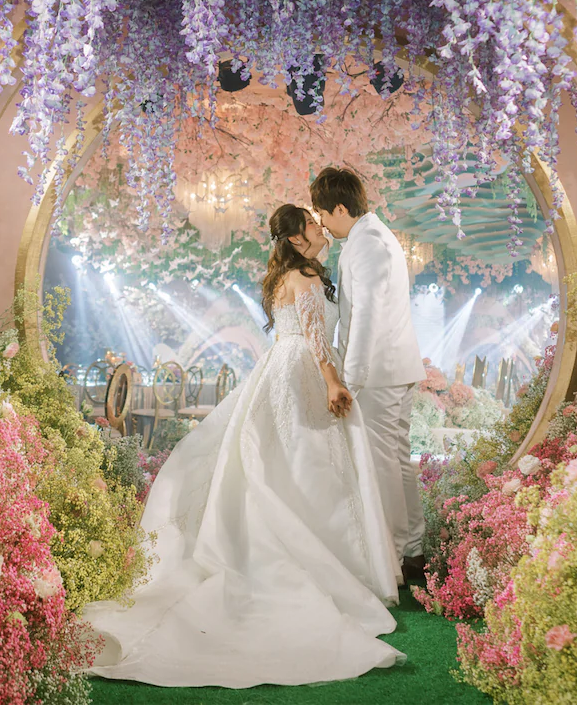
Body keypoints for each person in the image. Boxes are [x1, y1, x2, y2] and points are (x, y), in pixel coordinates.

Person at [81, 204, 403, 688]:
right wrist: (334, 382)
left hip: (278, 370)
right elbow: (318, 339)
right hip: (305, 375)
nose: (321, 227)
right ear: (296, 240)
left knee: (279, 464)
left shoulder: (287, 276)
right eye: (313, 224)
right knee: (308, 466)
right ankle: (319, 562)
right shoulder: (308, 279)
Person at [309, 166, 428, 586]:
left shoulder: (370, 245)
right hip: (389, 369)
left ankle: (395, 557)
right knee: (396, 461)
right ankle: (413, 551)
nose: (321, 221)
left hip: (379, 374)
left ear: (340, 207)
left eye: (323, 213)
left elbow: (366, 321)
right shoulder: (367, 238)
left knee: (384, 467)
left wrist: (350, 382)